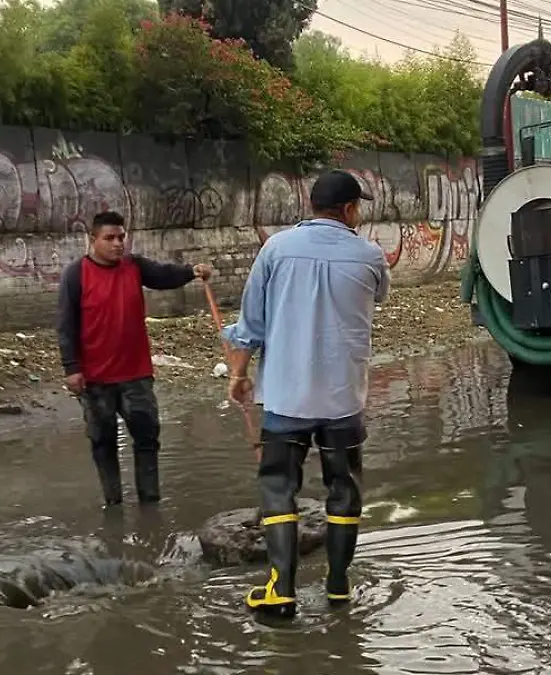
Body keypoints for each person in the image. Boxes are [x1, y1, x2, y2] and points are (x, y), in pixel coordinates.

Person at [222, 170, 391, 617]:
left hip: (286, 397)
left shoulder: (275, 249)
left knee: (279, 489)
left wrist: (238, 376)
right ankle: (338, 588)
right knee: (345, 489)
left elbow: (250, 327)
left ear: (312, 205)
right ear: (350, 209)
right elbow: (377, 299)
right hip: (343, 400)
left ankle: (281, 590)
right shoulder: (370, 255)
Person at [56, 210, 213, 508]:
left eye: (121, 237)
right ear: (93, 240)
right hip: (96, 379)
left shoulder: (135, 267)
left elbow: (164, 275)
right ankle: (113, 502)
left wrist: (192, 270)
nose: (117, 244)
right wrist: (71, 368)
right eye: (109, 238)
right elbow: (65, 324)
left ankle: (150, 503)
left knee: (147, 439)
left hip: (136, 376)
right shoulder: (76, 275)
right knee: (103, 443)